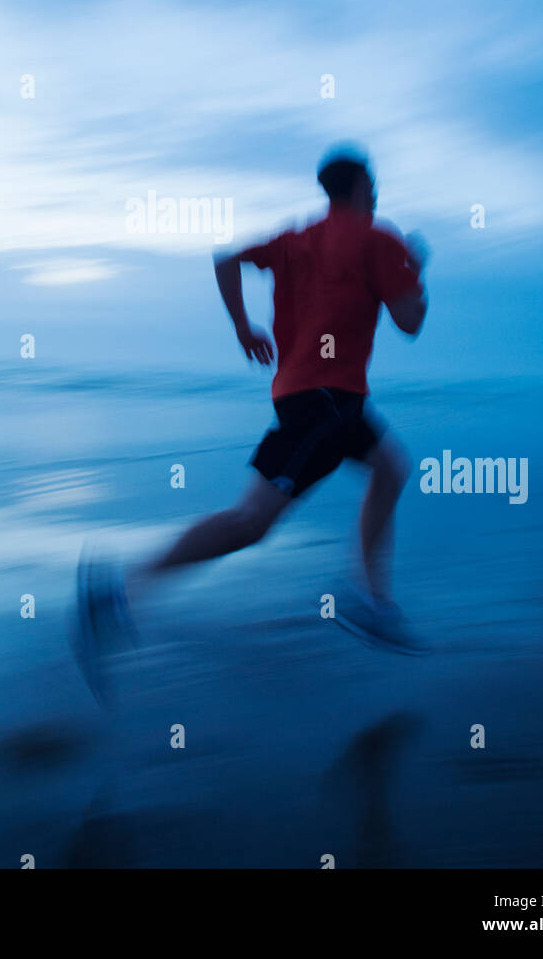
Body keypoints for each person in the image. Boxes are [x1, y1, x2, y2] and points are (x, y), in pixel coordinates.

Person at [76, 146, 429, 697]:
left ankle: (370, 599)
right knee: (250, 522)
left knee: (392, 466)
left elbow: (225, 259)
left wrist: (244, 328)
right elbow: (410, 321)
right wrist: (417, 273)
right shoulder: (380, 239)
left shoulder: (296, 238)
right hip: (326, 403)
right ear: (361, 189)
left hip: (315, 397)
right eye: (373, 187)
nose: (376, 195)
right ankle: (118, 593)